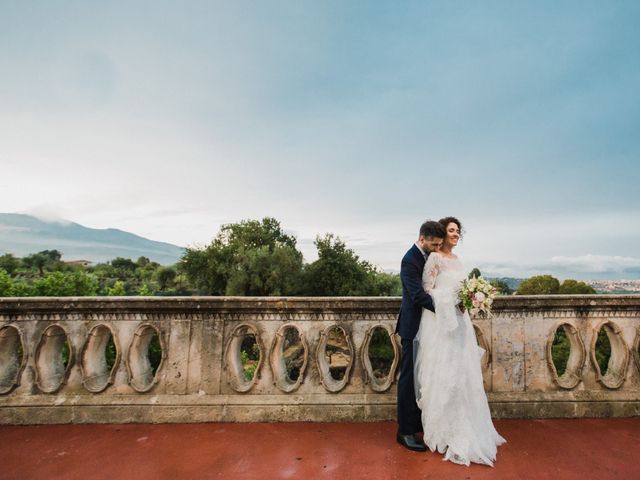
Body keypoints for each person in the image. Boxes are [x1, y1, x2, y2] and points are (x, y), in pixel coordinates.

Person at [414, 216, 506, 466]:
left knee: (463, 374)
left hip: (461, 325)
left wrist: (470, 299)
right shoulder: (435, 259)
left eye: (458, 231)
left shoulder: (458, 261)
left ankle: (467, 424)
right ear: (442, 234)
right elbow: (426, 290)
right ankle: (443, 430)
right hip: (441, 325)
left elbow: (462, 290)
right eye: (451, 231)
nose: (455, 234)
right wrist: (450, 300)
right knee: (444, 372)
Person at [395, 220, 445, 452]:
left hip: (426, 328)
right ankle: (404, 432)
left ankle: (417, 423)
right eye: (434, 244)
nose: (437, 248)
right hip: (411, 327)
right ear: (422, 238)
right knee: (407, 381)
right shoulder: (409, 260)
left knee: (421, 378)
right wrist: (447, 308)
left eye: (439, 245)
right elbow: (416, 296)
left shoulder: (428, 255)